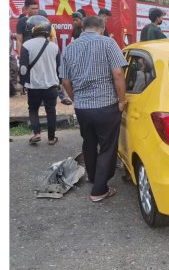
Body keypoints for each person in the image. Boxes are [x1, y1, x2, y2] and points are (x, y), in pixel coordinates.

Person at [60, 15, 127, 203]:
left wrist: (76, 99)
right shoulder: (108, 43)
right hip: (106, 105)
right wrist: (122, 100)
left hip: (82, 107)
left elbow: (65, 80)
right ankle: (99, 190)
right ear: (102, 28)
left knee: (89, 143)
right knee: (107, 146)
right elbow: (118, 72)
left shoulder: (69, 48)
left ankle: (92, 176)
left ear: (83, 29)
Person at [19, 15, 61, 147]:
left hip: (34, 85)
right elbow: (59, 68)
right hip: (51, 85)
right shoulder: (54, 47)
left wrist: (23, 83)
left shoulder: (26, 45)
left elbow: (24, 68)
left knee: (33, 109)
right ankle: (51, 138)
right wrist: (58, 83)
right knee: (51, 111)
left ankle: (36, 133)